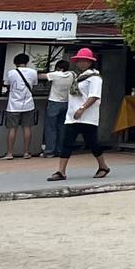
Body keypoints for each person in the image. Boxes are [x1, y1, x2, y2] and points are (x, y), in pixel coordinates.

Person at [49, 49, 108, 181]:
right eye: (79, 61)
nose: (81, 63)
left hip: (87, 117)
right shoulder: (78, 77)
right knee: (66, 143)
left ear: (90, 62)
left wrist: (82, 109)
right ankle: (61, 171)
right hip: (72, 117)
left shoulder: (94, 78)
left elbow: (94, 96)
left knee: (92, 143)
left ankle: (103, 166)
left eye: (84, 61)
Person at [3, 54, 38, 158]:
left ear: (15, 63)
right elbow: (34, 84)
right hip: (28, 104)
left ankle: (10, 153)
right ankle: (26, 152)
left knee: (12, 129)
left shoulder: (11, 73)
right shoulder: (33, 72)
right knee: (27, 128)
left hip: (13, 105)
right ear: (27, 62)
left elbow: (6, 83)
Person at [42, 58, 71, 158]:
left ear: (59, 68)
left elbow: (41, 76)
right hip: (66, 103)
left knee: (50, 127)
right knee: (62, 127)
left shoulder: (56, 74)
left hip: (54, 103)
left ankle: (49, 151)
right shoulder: (71, 75)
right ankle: (60, 150)